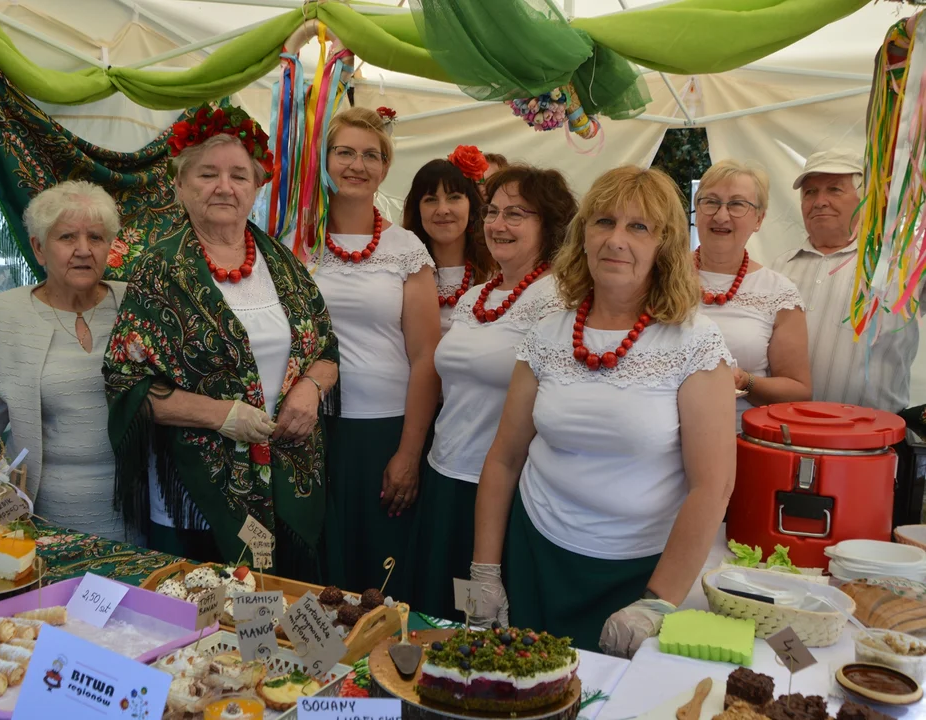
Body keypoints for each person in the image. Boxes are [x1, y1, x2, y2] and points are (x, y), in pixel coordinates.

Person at [471, 166, 736, 657]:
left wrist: (657, 604)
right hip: (537, 555)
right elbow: (504, 458)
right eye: (604, 222)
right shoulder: (548, 333)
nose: (616, 240)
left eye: (639, 227)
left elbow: (713, 486)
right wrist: (484, 570)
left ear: (666, 245)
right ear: (582, 235)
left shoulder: (695, 342)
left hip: (642, 573)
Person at [104, 104, 339, 578]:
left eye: (239, 175)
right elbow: (124, 383)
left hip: (285, 480)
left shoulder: (283, 263)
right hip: (195, 493)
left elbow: (325, 349)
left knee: (281, 612)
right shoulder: (159, 270)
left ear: (256, 187)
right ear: (180, 185)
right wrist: (222, 416)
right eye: (207, 174)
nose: (224, 187)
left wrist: (311, 388)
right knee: (205, 623)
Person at [411, 165, 575, 620]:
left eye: (517, 214)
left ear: (550, 224)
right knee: (436, 614)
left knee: (478, 626)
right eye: (493, 212)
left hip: (503, 488)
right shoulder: (475, 296)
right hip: (444, 474)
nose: (498, 225)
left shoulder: (558, 301)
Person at [0, 181, 127, 540]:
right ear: (39, 248)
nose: (83, 250)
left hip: (139, 515)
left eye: (96, 238)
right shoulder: (1, 315)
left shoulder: (137, 304)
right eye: (66, 237)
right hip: (42, 516)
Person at [315, 107, 439, 597]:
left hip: (385, 430)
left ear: (386, 168)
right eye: (345, 151)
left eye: (371, 155)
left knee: (380, 573)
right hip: (312, 430)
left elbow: (427, 355)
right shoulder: (297, 240)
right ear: (325, 159)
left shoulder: (406, 249)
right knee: (322, 568)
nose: (357, 164)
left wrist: (409, 451)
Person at [772, 149, 919, 413]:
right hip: (787, 435)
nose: (820, 201)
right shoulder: (778, 269)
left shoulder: (902, 265)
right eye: (810, 192)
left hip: (873, 441)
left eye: (834, 190)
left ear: (865, 199)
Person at [694, 160, 811, 427]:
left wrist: (746, 381)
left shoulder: (778, 292)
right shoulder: (661, 277)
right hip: (660, 442)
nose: (721, 216)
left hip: (739, 442)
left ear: (758, 219)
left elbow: (799, 390)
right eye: (710, 202)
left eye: (737, 204)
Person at [402, 146, 493, 335]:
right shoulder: (401, 273)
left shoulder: (497, 272)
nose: (443, 210)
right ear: (417, 210)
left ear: (472, 205)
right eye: (430, 200)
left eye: (454, 198)